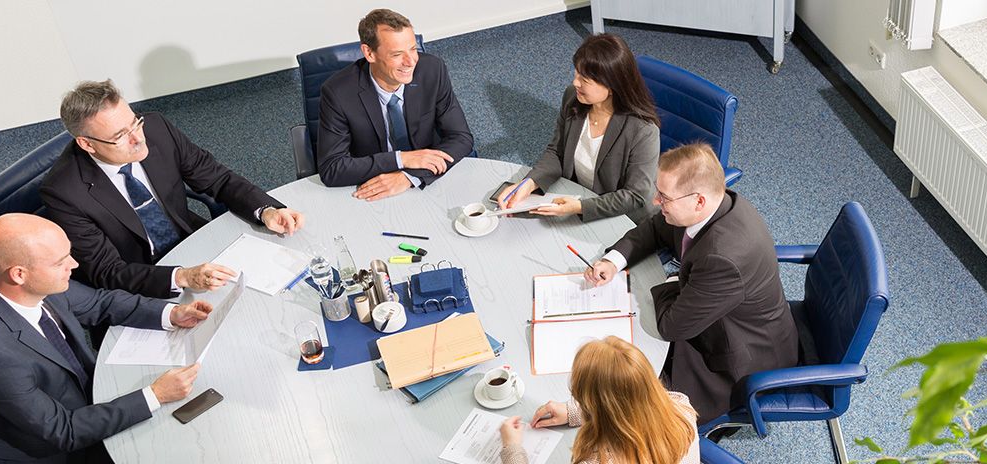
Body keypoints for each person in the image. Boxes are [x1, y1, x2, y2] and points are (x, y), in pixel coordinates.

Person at [0, 213, 208, 463]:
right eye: (60, 262)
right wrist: (155, 395)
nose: (74, 265)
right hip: (48, 452)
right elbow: (64, 431)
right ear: (18, 274)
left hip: (81, 401)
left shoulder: (28, 284)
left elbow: (100, 303)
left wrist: (172, 313)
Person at [582, 144, 798, 420]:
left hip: (737, 357)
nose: (655, 202)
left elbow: (672, 325)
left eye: (664, 197)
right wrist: (614, 260)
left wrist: (670, 277)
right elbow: (654, 228)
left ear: (698, 201)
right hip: (717, 314)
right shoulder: (715, 205)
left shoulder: (723, 258)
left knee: (631, 403)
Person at [41, 79, 304, 299]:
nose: (137, 138)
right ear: (87, 144)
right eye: (120, 136)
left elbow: (216, 178)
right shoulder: (64, 193)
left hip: (191, 241)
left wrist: (267, 210)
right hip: (139, 281)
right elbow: (108, 271)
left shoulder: (156, 128)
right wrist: (182, 276)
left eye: (135, 123)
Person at [495, 33, 660, 222]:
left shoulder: (643, 130)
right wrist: (529, 182)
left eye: (585, 79)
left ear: (612, 85)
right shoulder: (573, 97)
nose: (575, 83)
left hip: (621, 217)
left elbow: (635, 196)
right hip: (578, 198)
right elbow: (558, 151)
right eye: (576, 73)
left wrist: (581, 207)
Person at [315, 8, 475, 200]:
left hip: (425, 179)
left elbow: (461, 138)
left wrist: (409, 177)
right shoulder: (337, 93)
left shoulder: (433, 70)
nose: (411, 61)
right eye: (397, 54)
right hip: (373, 185)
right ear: (369, 53)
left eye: (413, 49)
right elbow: (332, 169)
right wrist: (401, 159)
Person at [498, 336, 699, 464]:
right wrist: (575, 411)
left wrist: (512, 449)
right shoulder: (681, 407)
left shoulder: (598, 460)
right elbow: (630, 406)